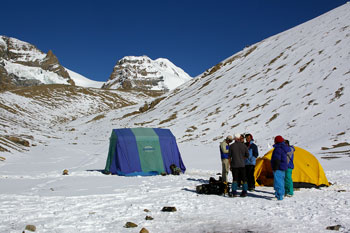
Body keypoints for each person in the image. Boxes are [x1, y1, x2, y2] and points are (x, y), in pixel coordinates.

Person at [271, 135, 290, 200]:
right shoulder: (283, 148)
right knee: (281, 181)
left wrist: (274, 168)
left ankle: (279, 196)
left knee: (278, 182)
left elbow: (277, 159)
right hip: (283, 167)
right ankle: (281, 194)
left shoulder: (278, 148)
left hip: (278, 167)